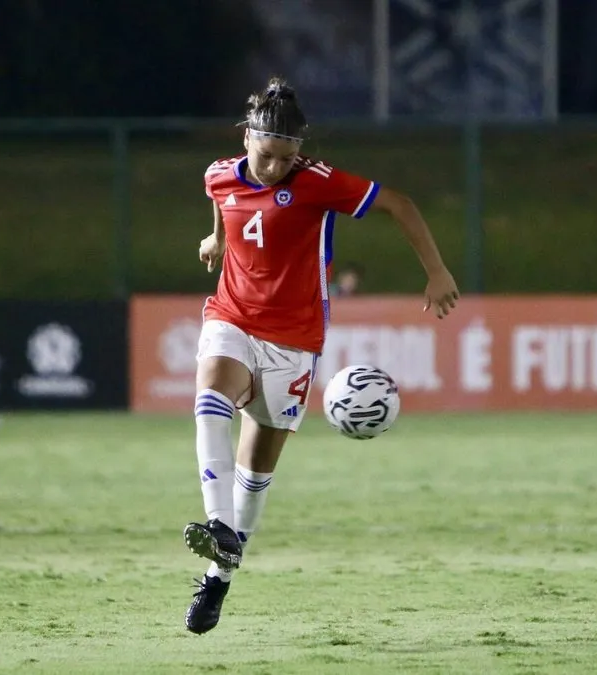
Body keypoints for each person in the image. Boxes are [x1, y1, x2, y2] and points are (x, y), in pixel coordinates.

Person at [183, 77, 460, 634]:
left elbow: (399, 204)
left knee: (255, 474)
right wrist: (217, 239)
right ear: (247, 140)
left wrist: (436, 271)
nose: (276, 169)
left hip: (294, 340)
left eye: (288, 158)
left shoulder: (317, 182)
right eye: (266, 156)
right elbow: (221, 197)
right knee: (211, 390)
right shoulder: (220, 174)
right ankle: (218, 525)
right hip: (233, 315)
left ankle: (219, 579)